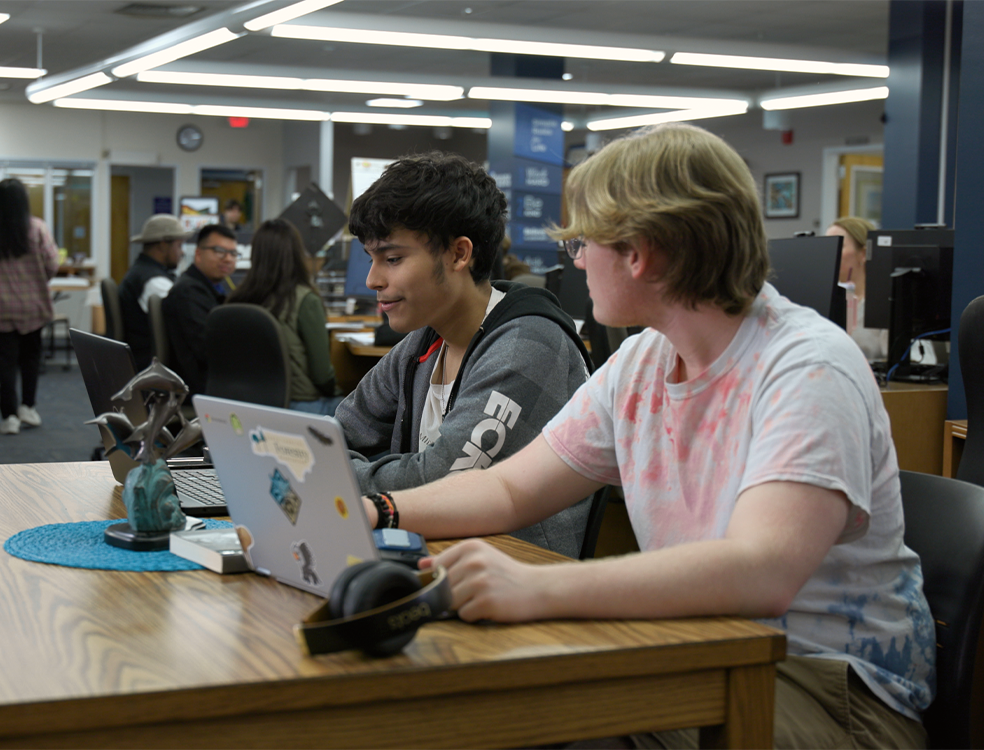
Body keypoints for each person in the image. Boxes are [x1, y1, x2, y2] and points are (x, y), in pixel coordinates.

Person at [362, 125, 935, 750]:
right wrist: (378, 509)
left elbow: (761, 570)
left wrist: (537, 587)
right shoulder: (642, 364)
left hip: (832, 692)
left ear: (641, 254)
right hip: (704, 646)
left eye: (584, 242)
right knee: (487, 700)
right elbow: (507, 491)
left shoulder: (806, 366)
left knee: (539, 723)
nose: (576, 261)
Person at [336, 151, 594, 559]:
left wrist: (334, 478)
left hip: (518, 574)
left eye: (393, 258)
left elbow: (434, 484)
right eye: (372, 259)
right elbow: (336, 435)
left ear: (459, 254)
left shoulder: (526, 345)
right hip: (433, 555)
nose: (373, 279)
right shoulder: (425, 343)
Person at [227, 218, 341, 415]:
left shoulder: (236, 300)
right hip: (297, 406)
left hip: (248, 406)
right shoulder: (306, 300)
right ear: (296, 254)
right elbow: (322, 375)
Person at [0, 178, 59, 435]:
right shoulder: (37, 228)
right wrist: (36, 280)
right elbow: (52, 265)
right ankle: (28, 408)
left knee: (5, 363)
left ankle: (9, 416)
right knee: (31, 359)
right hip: (34, 307)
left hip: (2, 308)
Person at [162, 224, 238, 395]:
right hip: (200, 387)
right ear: (198, 254)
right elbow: (208, 350)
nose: (228, 259)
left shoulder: (209, 288)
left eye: (233, 253)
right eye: (219, 251)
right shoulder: (188, 293)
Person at [118, 214, 187, 369]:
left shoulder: (142, 271)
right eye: (179, 246)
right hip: (147, 362)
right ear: (163, 245)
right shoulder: (153, 281)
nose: (182, 253)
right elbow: (183, 320)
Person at [825, 216, 888, 361]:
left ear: (864, 254)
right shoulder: (828, 302)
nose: (830, 252)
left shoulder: (883, 306)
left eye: (839, 245)